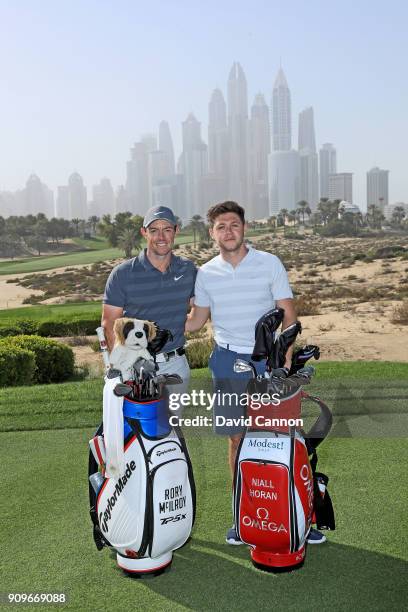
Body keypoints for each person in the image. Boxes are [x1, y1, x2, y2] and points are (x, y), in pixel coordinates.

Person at [186, 200, 326, 545]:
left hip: (270, 362)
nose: (228, 231)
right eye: (221, 226)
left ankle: (299, 517)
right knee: (237, 438)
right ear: (211, 233)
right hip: (227, 361)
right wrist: (156, 320)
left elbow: (288, 316)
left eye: (233, 224)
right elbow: (196, 322)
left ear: (244, 228)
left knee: (286, 435)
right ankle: (242, 516)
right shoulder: (205, 273)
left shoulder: (269, 263)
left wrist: (286, 363)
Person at [102, 205, 197, 396]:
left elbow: (200, 309)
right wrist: (121, 366)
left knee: (171, 425)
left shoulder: (188, 270)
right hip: (134, 366)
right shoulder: (122, 274)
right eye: (154, 230)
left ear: (176, 231)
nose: (161, 237)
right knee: (136, 424)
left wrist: (179, 327)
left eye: (167, 230)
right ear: (144, 233)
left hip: (175, 365)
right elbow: (109, 323)